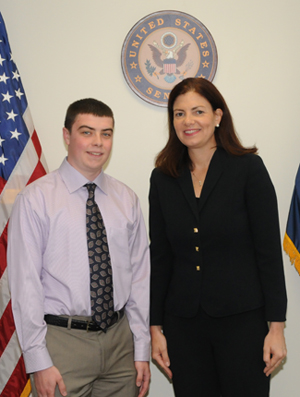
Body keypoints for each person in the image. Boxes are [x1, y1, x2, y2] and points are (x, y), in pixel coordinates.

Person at [149, 78, 287, 397]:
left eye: (198, 111)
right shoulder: (163, 177)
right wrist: (155, 328)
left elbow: (268, 253)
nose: (188, 121)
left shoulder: (248, 169)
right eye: (179, 113)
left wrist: (276, 328)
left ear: (218, 116)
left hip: (243, 323)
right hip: (183, 326)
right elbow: (161, 257)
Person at [7, 98, 151, 397]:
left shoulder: (127, 199)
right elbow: (25, 285)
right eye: (87, 132)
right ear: (66, 136)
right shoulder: (36, 199)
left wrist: (141, 348)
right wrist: (38, 360)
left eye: (106, 133)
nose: (98, 142)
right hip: (62, 344)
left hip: (119, 343)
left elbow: (139, 279)